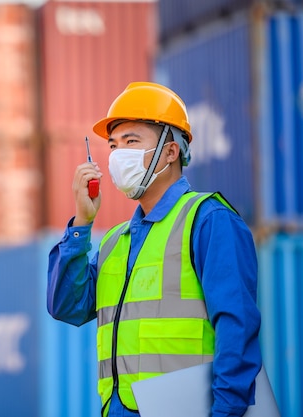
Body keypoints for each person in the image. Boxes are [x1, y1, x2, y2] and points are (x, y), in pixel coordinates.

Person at [47, 82, 262, 417]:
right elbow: (66, 307)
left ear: (171, 151)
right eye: (114, 145)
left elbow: (238, 330)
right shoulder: (115, 241)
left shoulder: (208, 221)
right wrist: (81, 223)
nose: (119, 155)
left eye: (132, 141)